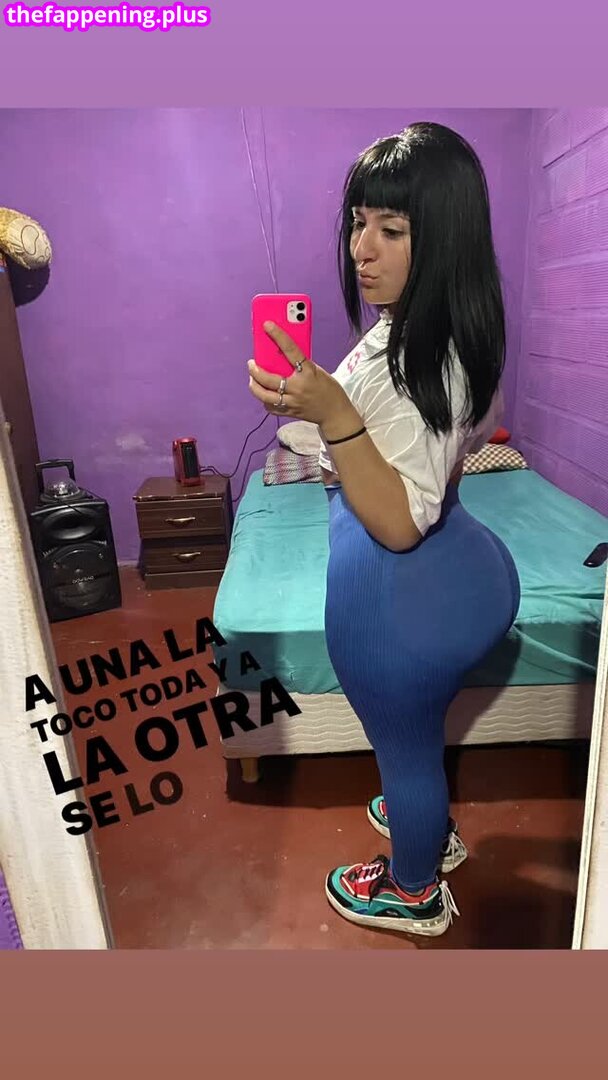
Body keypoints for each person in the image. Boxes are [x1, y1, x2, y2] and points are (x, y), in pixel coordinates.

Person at [247, 121, 521, 939]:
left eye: (391, 230)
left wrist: (335, 416)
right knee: (414, 750)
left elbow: (399, 524)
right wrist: (323, 407)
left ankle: (413, 888)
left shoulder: (426, 358)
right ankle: (420, 818)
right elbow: (406, 445)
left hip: (402, 600)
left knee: (403, 752)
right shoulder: (420, 325)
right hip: (460, 572)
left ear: (445, 239)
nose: (361, 249)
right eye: (359, 222)